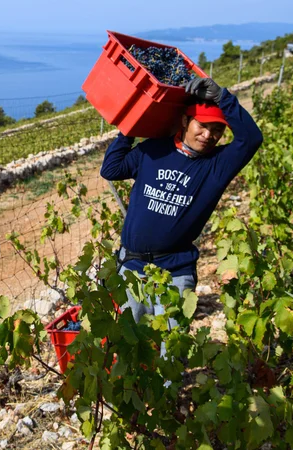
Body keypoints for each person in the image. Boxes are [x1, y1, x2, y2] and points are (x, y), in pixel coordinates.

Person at [100, 77, 263, 331]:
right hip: (131, 268)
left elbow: (251, 139)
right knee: (132, 345)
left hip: (174, 271)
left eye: (217, 130)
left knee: (172, 352)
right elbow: (111, 169)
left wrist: (223, 98)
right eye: (202, 125)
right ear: (186, 121)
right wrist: (129, 129)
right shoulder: (154, 150)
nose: (209, 135)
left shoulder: (217, 166)